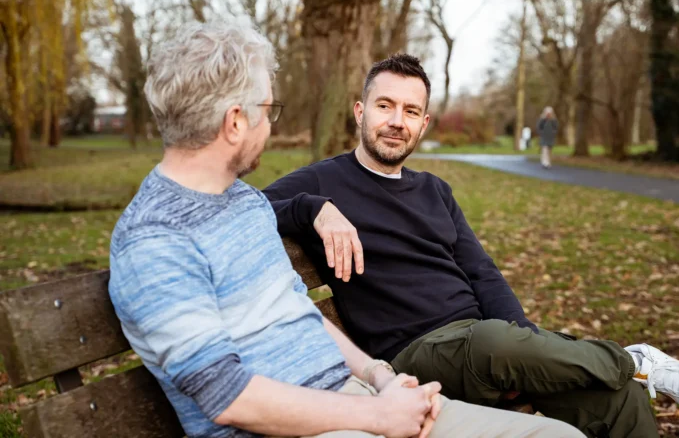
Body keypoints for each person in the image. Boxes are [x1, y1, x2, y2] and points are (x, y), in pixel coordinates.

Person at [108, 23, 581, 438]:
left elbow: (298, 310)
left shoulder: (244, 203)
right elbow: (231, 399)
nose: (269, 127)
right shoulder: (154, 240)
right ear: (235, 122)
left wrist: (380, 378)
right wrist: (376, 414)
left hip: (359, 400)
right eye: (267, 111)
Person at [264, 54, 679, 438]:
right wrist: (312, 208)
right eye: (385, 105)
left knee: (620, 399)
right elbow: (244, 208)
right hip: (412, 354)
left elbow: (483, 274)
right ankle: (636, 360)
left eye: (410, 111)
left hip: (488, 345)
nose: (397, 121)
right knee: (493, 340)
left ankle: (632, 373)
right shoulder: (322, 179)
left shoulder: (435, 190)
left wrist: (529, 353)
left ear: (424, 123)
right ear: (360, 111)